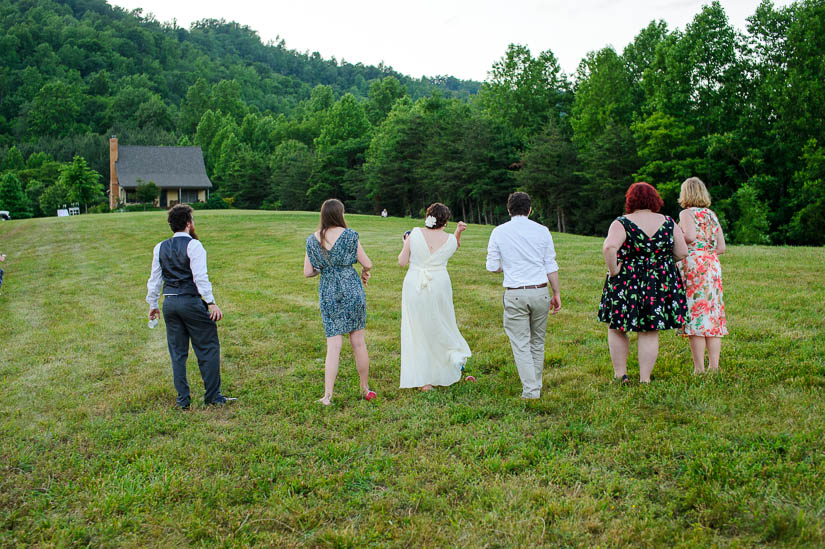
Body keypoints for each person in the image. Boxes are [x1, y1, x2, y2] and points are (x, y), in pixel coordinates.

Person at [146, 204, 236, 409]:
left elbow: (155, 280)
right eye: (192, 221)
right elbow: (200, 277)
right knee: (208, 347)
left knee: (177, 353)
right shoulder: (194, 246)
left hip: (169, 303)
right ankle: (213, 396)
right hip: (190, 301)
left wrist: (153, 304)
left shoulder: (160, 247)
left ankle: (183, 400)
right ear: (188, 223)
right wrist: (211, 302)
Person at [598, 182, 688, 384]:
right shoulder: (668, 221)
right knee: (649, 329)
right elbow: (682, 252)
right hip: (658, 282)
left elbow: (609, 247)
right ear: (655, 200)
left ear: (630, 201)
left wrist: (614, 271)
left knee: (618, 327)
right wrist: (661, 263)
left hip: (626, 280)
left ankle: (621, 374)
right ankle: (645, 379)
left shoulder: (621, 222)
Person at [486, 192, 561, 399]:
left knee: (520, 344)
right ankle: (534, 385)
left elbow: (492, 266)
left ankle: (531, 391)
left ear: (509, 210)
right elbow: (550, 265)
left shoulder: (499, 232)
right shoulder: (542, 231)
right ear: (529, 210)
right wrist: (556, 292)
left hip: (515, 294)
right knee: (537, 342)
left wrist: (506, 266)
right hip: (540, 291)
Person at [304, 198, 376, 405]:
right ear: (340, 214)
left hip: (328, 291)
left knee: (333, 345)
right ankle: (365, 388)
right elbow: (368, 263)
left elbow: (308, 272)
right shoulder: (350, 235)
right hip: (351, 288)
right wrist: (364, 272)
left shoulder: (312, 239)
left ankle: (327, 395)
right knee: (358, 342)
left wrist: (325, 267)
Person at [398, 203, 472, 391]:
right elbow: (454, 246)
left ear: (428, 217)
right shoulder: (450, 240)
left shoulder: (414, 233)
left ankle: (424, 380)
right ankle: (450, 358)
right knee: (440, 322)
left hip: (415, 284)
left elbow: (402, 261)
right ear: (445, 222)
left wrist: (406, 243)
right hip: (439, 285)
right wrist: (458, 232)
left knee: (417, 329)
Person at [677, 177, 727, 374]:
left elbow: (689, 236)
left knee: (696, 315)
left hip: (694, 264)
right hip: (712, 265)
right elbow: (721, 247)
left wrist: (677, 233)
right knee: (712, 315)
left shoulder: (686, 213)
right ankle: (714, 367)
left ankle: (699, 368)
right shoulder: (711, 215)